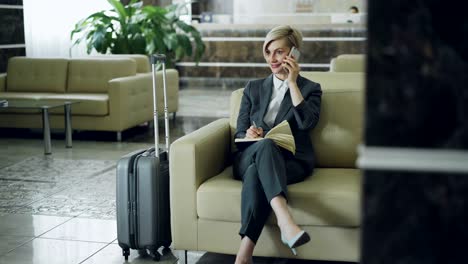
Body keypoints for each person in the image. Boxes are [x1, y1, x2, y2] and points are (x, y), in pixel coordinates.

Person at [233, 25, 322, 264]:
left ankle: (244, 255)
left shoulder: (310, 89)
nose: (272, 59)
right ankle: (285, 221)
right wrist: (250, 133)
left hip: (291, 162)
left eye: (279, 52)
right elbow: (239, 131)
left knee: (257, 173)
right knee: (265, 146)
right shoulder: (252, 88)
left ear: (294, 53)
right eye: (268, 52)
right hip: (252, 153)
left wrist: (293, 83)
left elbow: (307, 124)